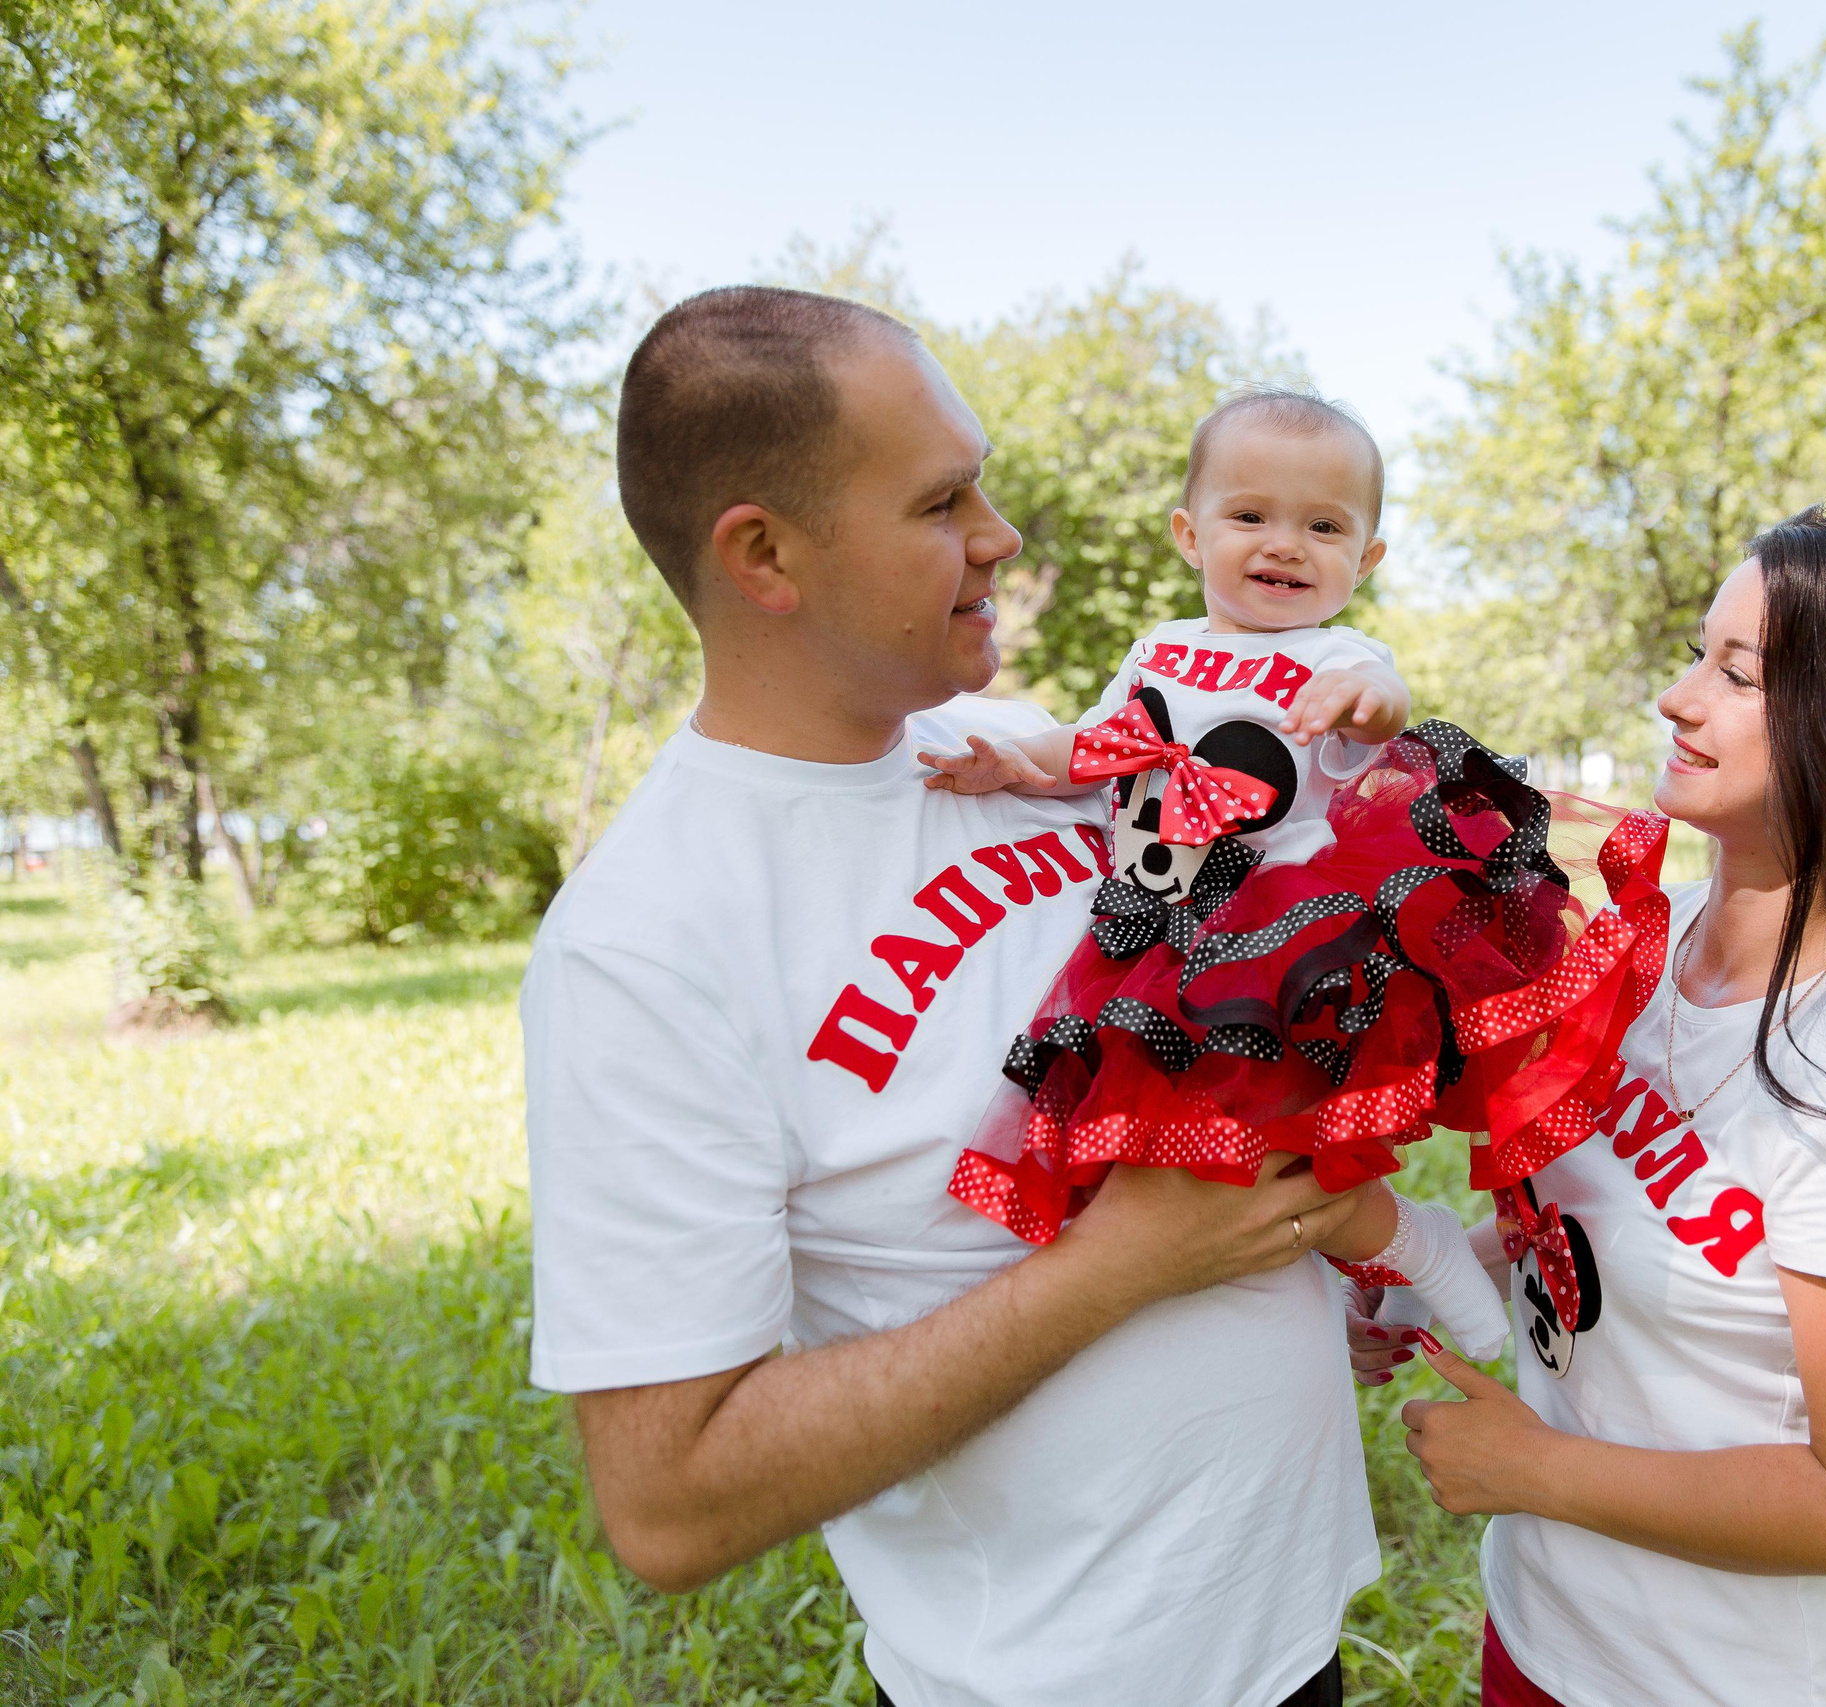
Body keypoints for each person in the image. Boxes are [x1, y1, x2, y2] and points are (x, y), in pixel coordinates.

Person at [522, 286, 1384, 1707]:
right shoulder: (645, 940)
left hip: (1285, 1633)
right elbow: (671, 1501)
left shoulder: (1013, 750)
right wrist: (1128, 1264)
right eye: (942, 501)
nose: (1002, 532)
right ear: (766, 553)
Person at [1367, 507, 1826, 1706]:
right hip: (1543, 1637)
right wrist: (1420, 1273)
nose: (1674, 696)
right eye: (1699, 653)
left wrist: (1537, 1468)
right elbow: (1605, 1212)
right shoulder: (1657, 947)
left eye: (1736, 674)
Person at [921, 387, 1669, 1361]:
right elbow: (1106, 743)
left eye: (1322, 527)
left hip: (1288, 947)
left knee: (1277, 1148)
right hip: (1155, 934)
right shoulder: (1161, 651)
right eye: (1250, 517)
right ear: (1190, 535)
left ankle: (1415, 1247)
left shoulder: (1336, 653)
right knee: (1198, 1151)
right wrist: (1021, 763)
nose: (1284, 545)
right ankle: (1363, 1283)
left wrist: (1366, 700)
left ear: (1364, 561)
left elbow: (1386, 709)